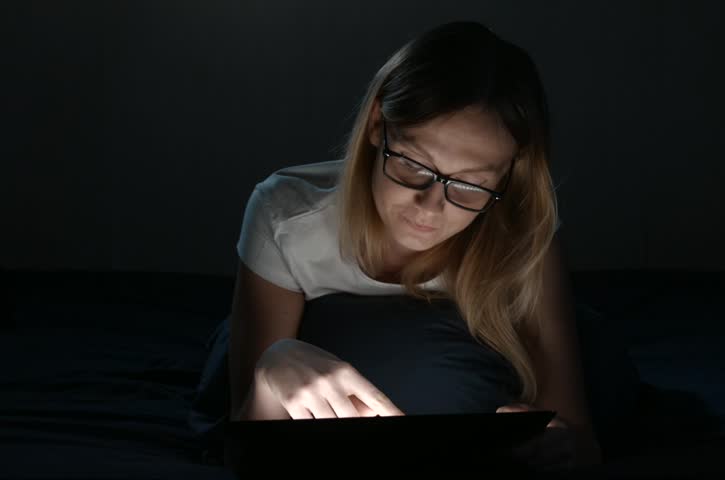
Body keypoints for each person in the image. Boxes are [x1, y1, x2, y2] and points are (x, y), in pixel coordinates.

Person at [226, 20, 602, 471]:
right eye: (412, 165)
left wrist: (555, 447)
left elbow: (578, 439)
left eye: (470, 185)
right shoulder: (286, 216)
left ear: (508, 176)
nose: (431, 206)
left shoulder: (520, 228)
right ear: (376, 124)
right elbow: (246, 441)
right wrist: (273, 368)